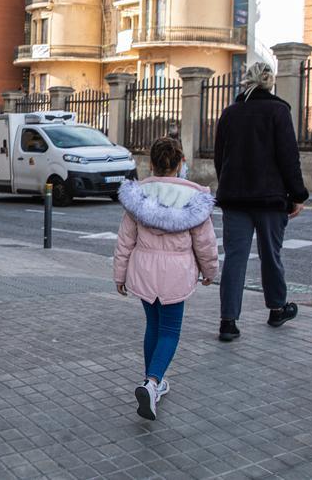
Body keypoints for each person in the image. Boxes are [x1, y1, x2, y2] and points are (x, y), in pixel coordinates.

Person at [114, 137, 219, 421]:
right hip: (177, 274)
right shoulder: (195, 199)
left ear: (152, 164)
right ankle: (152, 382)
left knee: (153, 326)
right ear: (181, 163)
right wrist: (210, 272)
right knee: (170, 331)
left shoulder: (138, 195)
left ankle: (153, 384)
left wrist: (120, 274)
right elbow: (206, 244)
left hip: (143, 270)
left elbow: (125, 241)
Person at [213, 62, 309, 342]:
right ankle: (277, 309)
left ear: (246, 82)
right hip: (269, 198)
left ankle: (228, 322)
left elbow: (221, 158)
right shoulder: (279, 111)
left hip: (235, 199)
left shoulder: (229, 113)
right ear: (270, 82)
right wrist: (298, 195)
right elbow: (288, 157)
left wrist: (228, 184)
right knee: (271, 255)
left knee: (234, 259)